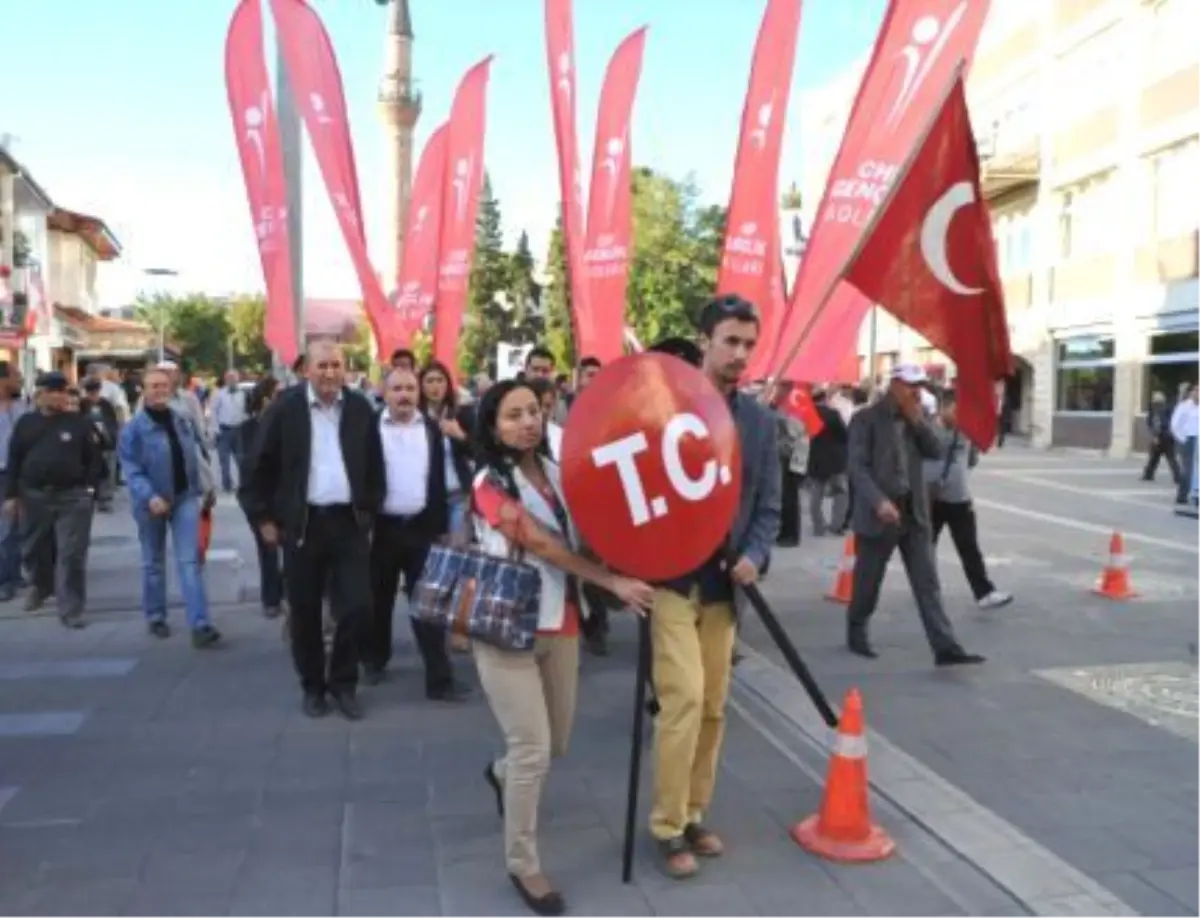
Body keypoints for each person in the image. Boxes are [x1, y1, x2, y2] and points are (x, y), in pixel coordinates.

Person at [471, 378, 654, 915]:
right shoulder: (487, 483)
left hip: (564, 623)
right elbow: (540, 542)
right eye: (512, 415)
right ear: (492, 426)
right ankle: (523, 863)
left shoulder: (558, 474)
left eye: (533, 410)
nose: (526, 421)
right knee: (532, 749)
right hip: (506, 627)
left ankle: (502, 773)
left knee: (554, 745)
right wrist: (610, 581)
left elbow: (592, 530)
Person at [647, 295, 781, 880]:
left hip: (726, 588)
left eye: (748, 344)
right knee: (682, 701)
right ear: (704, 341)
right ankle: (667, 824)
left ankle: (695, 812)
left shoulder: (759, 421)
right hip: (672, 582)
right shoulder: (662, 407)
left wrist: (753, 555)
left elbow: (770, 506)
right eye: (729, 341)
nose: (739, 354)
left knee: (714, 708)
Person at [242, 340, 385, 720]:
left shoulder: (359, 408)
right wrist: (264, 518)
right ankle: (313, 686)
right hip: (302, 526)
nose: (329, 373)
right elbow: (257, 466)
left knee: (357, 606)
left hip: (348, 524)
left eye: (336, 365)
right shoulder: (285, 409)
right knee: (304, 613)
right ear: (306, 369)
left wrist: (369, 511)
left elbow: (374, 466)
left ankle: (343, 683)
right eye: (322, 366)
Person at [845, 364, 985, 665]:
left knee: (928, 583)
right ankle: (857, 629)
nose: (915, 391)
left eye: (919, 385)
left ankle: (945, 647)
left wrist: (918, 423)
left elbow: (935, 450)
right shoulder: (866, 419)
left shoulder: (917, 418)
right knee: (868, 581)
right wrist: (878, 501)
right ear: (894, 384)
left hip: (915, 512)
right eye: (910, 385)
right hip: (880, 514)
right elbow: (857, 468)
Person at [365, 368, 466, 697]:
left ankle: (439, 680)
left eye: (410, 388)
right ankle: (375, 662)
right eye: (397, 389)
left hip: (421, 530)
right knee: (378, 601)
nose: (404, 395)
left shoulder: (432, 430)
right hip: (382, 530)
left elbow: (436, 478)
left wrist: (438, 526)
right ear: (384, 391)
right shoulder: (369, 429)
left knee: (428, 605)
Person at [119, 368, 221, 647]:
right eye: (153, 386)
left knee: (190, 561)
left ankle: (200, 624)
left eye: (163, 385)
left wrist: (206, 487)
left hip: (184, 498)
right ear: (143, 390)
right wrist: (149, 496)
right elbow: (131, 469)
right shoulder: (134, 430)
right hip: (150, 503)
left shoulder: (181, 420)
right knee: (153, 561)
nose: (159, 390)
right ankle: (155, 616)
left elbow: (196, 457)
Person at [5, 371, 104, 628]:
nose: (59, 397)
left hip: (72, 497)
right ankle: (40, 585)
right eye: (53, 391)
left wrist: (91, 490)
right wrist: (11, 495)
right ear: (40, 395)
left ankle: (71, 608)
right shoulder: (26, 423)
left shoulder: (78, 423)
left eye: (63, 391)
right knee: (33, 549)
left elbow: (95, 459)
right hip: (35, 496)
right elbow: (14, 460)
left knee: (71, 554)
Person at [925, 389, 1013, 611]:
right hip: (930, 500)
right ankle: (925, 589)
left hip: (959, 500)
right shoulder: (925, 431)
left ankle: (984, 593)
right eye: (955, 411)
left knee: (969, 547)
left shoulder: (966, 431)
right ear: (943, 407)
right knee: (924, 547)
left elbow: (972, 459)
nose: (959, 416)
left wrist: (958, 478)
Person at [238, 376, 285, 619]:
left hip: (284, 497)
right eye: (278, 395)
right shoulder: (248, 429)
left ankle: (286, 591)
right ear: (266, 399)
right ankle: (271, 598)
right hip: (258, 498)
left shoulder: (287, 425)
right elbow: (249, 469)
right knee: (267, 547)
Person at [418, 360, 474, 536]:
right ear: (421, 385)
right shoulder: (417, 419)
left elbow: (479, 451)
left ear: (448, 384)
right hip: (429, 498)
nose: (435, 386)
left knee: (458, 552)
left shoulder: (462, 414)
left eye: (440, 380)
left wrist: (460, 436)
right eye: (430, 381)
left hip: (459, 494)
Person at [0, 362, 28, 602]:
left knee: (18, 527)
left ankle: (15, 572)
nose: (19, 380)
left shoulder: (21, 406)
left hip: (19, 473)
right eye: (16, 376)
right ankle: (4, 580)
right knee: (5, 529)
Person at [81, 378, 119, 512]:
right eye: (90, 392)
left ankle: (105, 498)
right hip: (90, 444)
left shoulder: (106, 404)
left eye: (95, 391)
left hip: (107, 442)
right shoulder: (82, 405)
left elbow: (113, 422)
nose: (93, 395)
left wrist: (112, 436)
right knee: (92, 471)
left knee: (108, 471)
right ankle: (92, 496)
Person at [209, 370, 247, 493]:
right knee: (224, 460)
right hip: (224, 430)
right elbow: (213, 412)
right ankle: (227, 484)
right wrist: (215, 429)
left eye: (234, 378)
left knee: (241, 459)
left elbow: (246, 411)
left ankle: (244, 484)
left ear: (237, 380)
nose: (231, 380)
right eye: (229, 378)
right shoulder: (219, 394)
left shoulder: (243, 394)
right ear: (225, 380)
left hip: (239, 429)